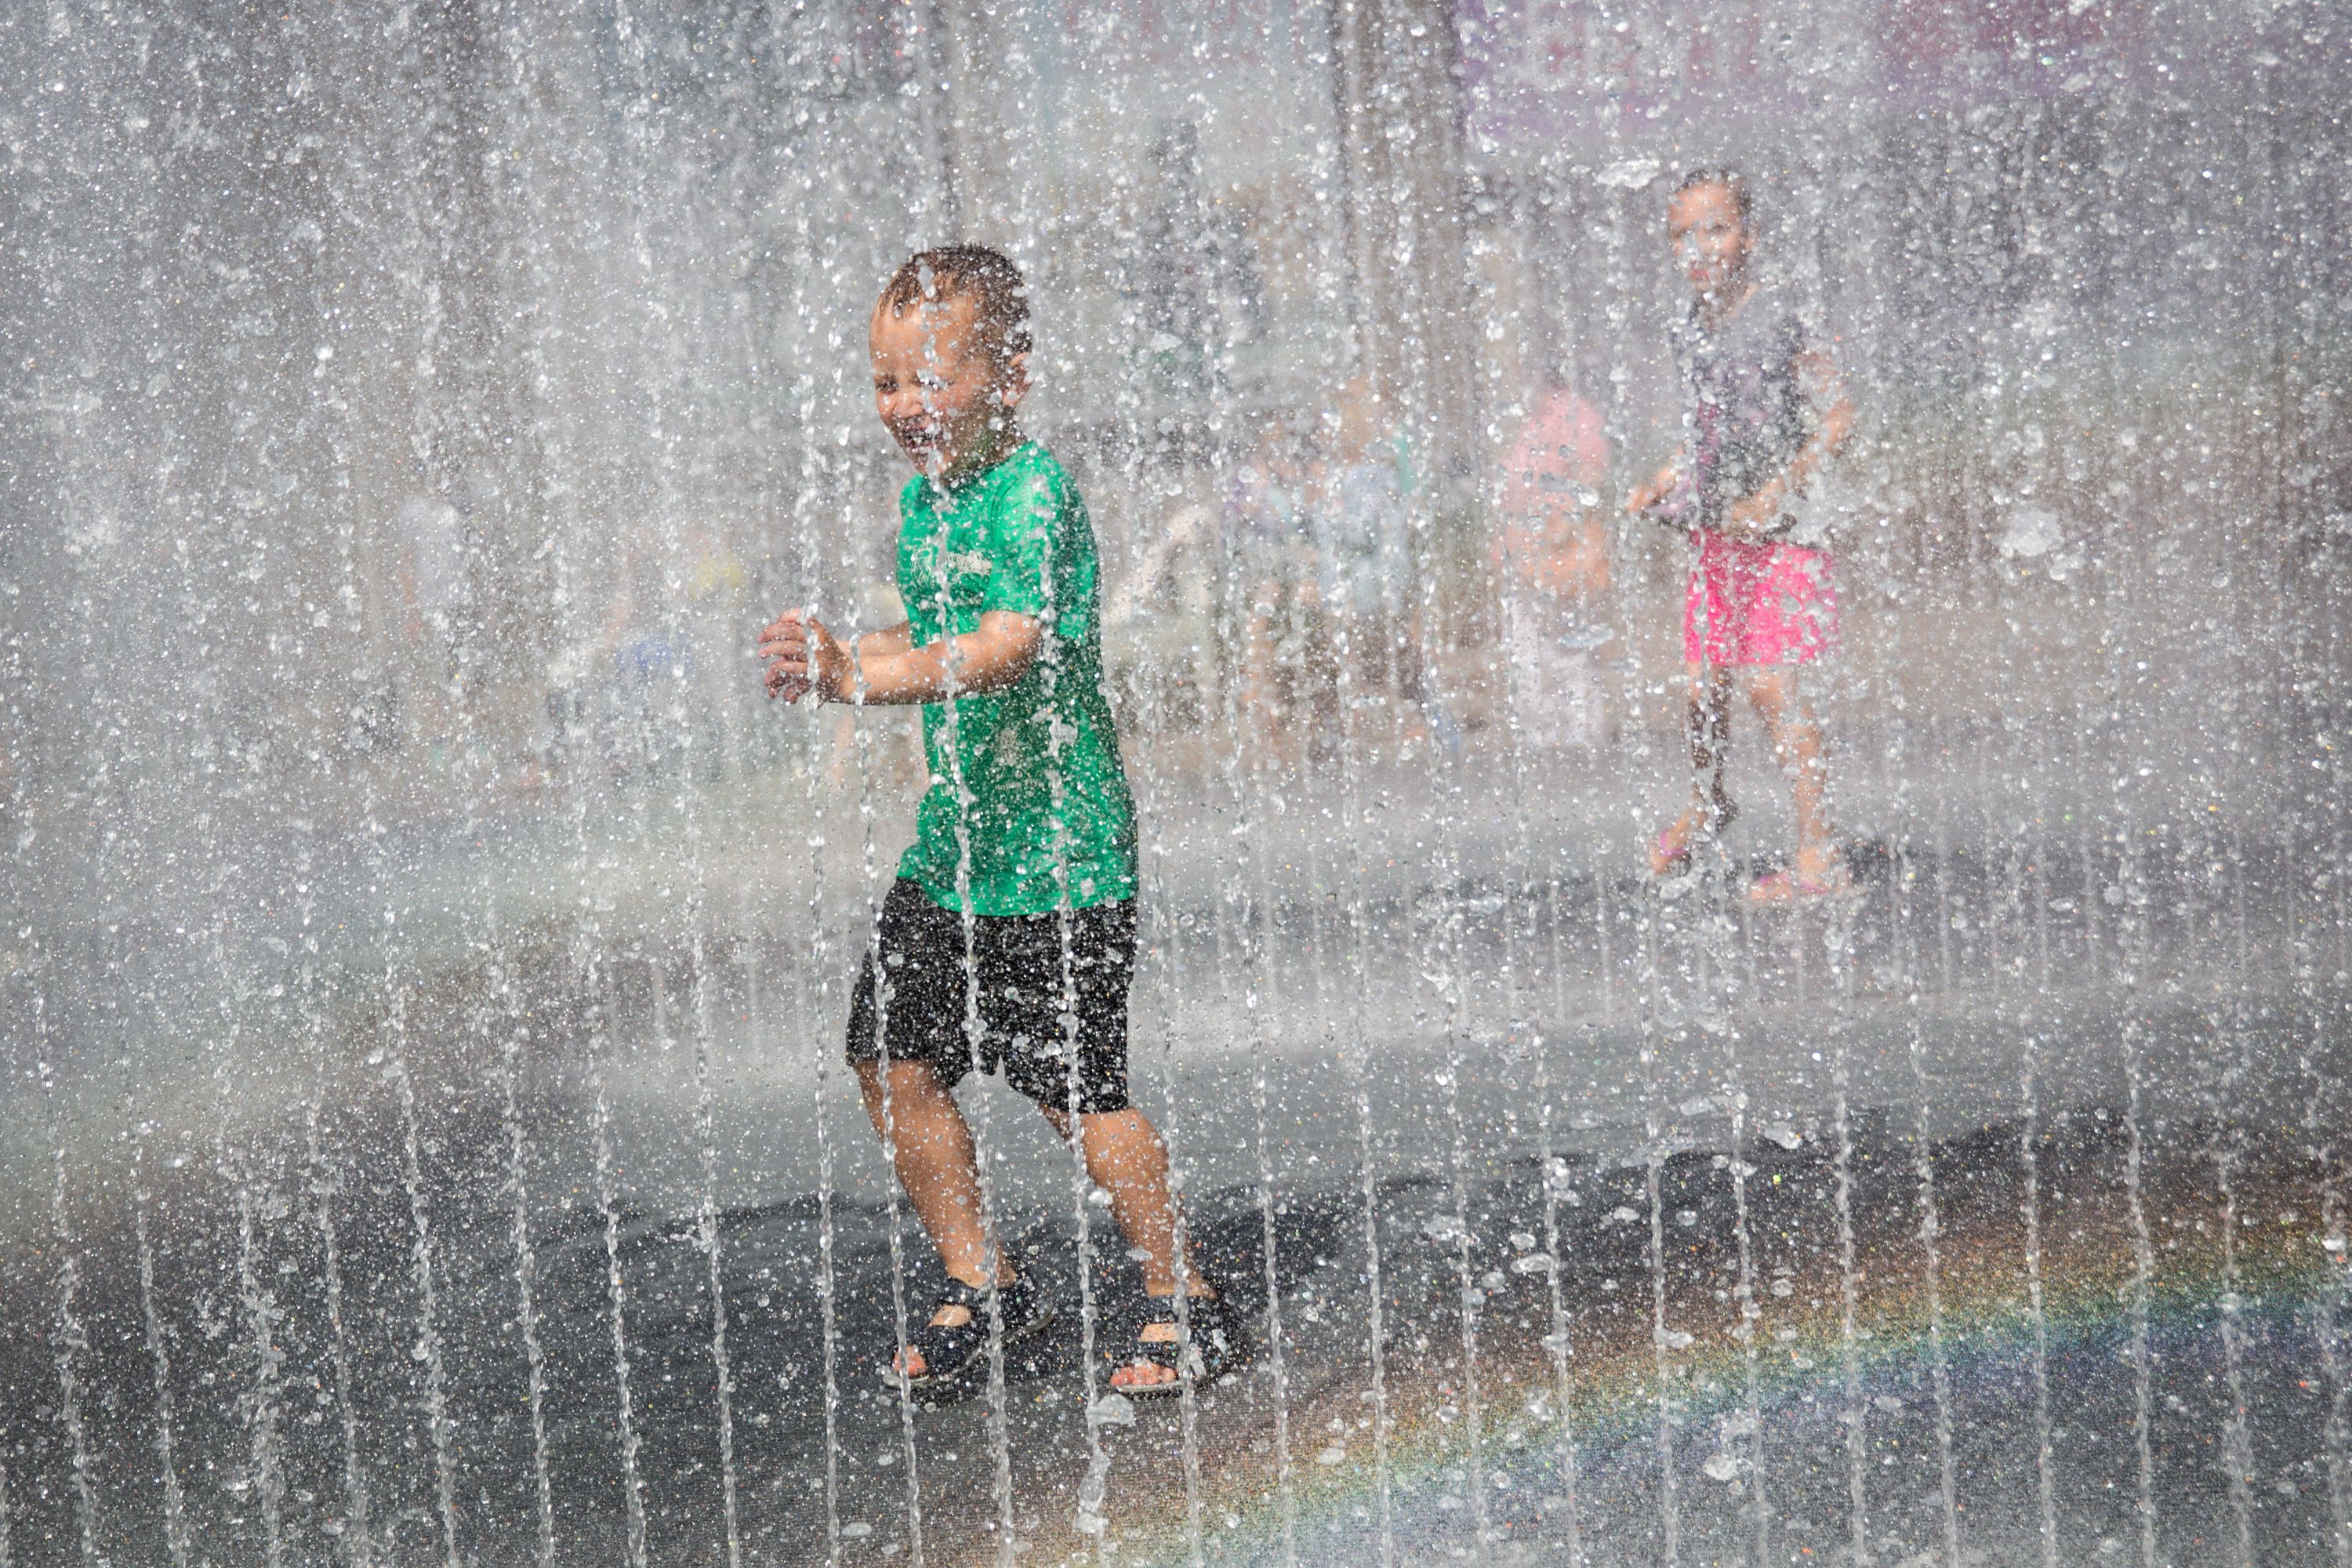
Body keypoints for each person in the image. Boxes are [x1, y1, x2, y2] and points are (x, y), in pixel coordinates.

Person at [757, 246, 1238, 1396]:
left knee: (1075, 1089)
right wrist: (836, 665)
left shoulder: (1034, 492)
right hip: (958, 850)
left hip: (1063, 859)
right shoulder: (927, 508)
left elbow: (1009, 645)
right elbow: (924, 646)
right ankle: (987, 1281)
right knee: (888, 1053)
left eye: (933, 378)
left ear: (1010, 374)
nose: (907, 409)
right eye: (885, 383)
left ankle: (1187, 1299)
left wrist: (866, 680)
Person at [1627, 168, 1856, 902]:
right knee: (1700, 690)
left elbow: (1838, 416)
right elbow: (1705, 425)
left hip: (1786, 533)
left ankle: (1820, 857)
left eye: (1716, 228)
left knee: (1769, 688)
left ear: (1748, 238)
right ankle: (1709, 801)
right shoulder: (1686, 326)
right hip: (1717, 533)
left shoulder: (1784, 316)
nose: (1699, 247)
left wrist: (1775, 492)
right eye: (1682, 235)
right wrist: (1665, 476)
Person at [1494, 379, 1612, 751]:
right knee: (1524, 652)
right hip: (1521, 551)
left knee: (1569, 651)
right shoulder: (1527, 416)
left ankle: (1581, 740)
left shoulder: (1573, 412)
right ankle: (1538, 739)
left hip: (1560, 549)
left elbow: (1593, 475)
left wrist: (1563, 527)